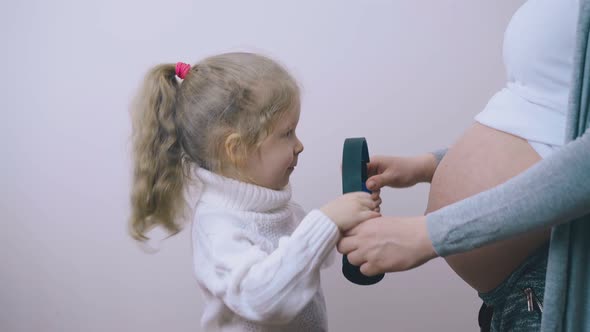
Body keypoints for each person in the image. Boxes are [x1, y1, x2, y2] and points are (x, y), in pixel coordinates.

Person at [338, 0, 590, 331]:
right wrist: (430, 165)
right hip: (516, 292)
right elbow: (541, 115)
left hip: (552, 271)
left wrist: (429, 234)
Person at [128, 53, 381, 331]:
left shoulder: (275, 206)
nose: (299, 145)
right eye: (287, 133)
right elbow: (264, 298)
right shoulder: (217, 229)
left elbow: (306, 259)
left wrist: (347, 222)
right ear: (236, 150)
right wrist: (327, 221)